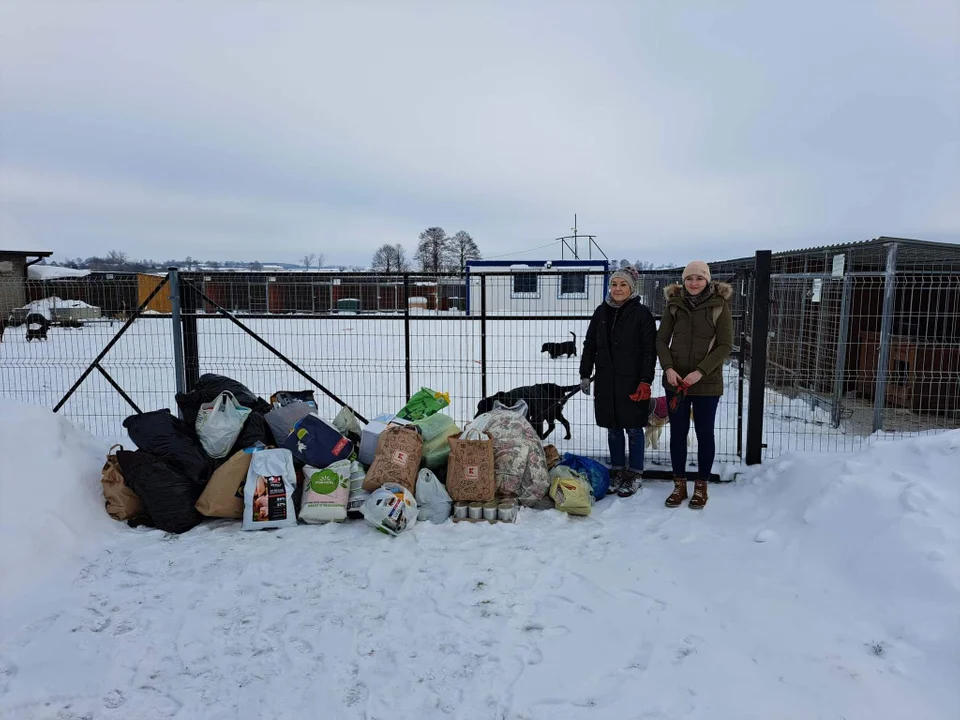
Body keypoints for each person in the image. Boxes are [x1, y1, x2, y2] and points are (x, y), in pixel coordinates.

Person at [656, 260, 733, 509]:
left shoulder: (719, 306)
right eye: (689, 278)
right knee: (678, 434)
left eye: (699, 278)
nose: (693, 283)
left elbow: (724, 345)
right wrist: (668, 369)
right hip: (676, 383)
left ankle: (701, 486)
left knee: (704, 434)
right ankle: (679, 485)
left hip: (707, 383)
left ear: (707, 280)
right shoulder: (673, 306)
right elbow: (661, 341)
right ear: (683, 280)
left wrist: (700, 372)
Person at [579, 266, 657, 497]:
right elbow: (590, 344)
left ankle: (635, 473)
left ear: (631, 287)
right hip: (605, 379)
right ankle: (617, 470)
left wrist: (645, 380)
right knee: (613, 427)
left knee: (633, 428)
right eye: (614, 284)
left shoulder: (642, 314)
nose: (617, 289)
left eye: (623, 285)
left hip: (632, 380)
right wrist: (585, 373)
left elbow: (649, 351)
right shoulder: (601, 311)